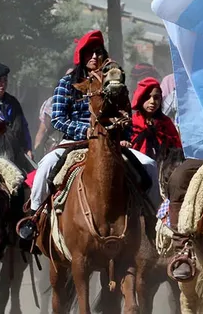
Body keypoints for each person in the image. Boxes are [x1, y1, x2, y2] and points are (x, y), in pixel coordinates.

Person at [19, 31, 158, 239]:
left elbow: (125, 115)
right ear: (81, 56)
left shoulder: (115, 84)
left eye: (98, 52)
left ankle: (155, 223)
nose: (94, 56)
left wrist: (124, 133)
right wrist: (86, 130)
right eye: (89, 52)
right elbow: (57, 119)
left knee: (150, 165)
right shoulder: (67, 83)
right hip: (74, 143)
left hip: (110, 143)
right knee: (45, 166)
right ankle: (34, 218)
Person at [0, 63, 34, 171]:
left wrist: (28, 149)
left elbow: (23, 126)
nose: (3, 84)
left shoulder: (12, 102)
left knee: (32, 176)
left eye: (5, 80)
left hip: (15, 150)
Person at [130, 77, 181, 160]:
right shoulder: (132, 122)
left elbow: (177, 147)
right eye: (147, 97)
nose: (152, 101)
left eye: (156, 97)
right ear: (140, 98)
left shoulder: (166, 123)